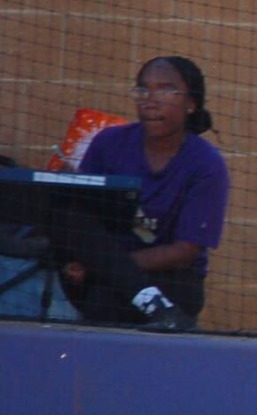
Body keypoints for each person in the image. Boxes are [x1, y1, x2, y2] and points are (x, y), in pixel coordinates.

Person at [52, 56, 230, 330]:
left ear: (191, 103)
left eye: (166, 90)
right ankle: (159, 310)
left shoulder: (206, 164)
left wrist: (104, 265)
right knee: (67, 207)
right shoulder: (109, 143)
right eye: (143, 90)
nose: (151, 99)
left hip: (172, 281)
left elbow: (185, 252)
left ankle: (159, 306)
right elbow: (81, 220)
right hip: (98, 272)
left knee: (106, 301)